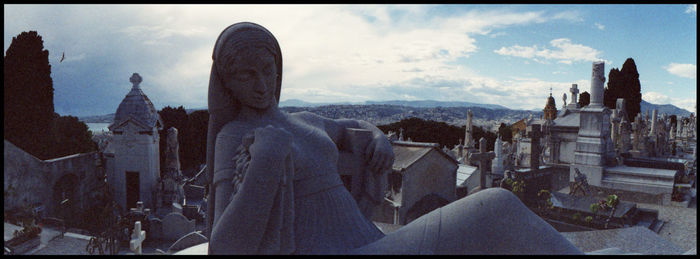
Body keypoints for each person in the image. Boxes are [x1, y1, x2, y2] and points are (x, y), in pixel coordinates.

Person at [206, 22, 582, 255]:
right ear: (227, 82)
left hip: (369, 239)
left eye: (267, 69)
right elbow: (223, 248)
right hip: (337, 251)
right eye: (245, 75)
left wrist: (378, 137)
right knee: (496, 206)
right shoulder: (235, 135)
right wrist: (266, 163)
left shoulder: (301, 118)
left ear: (278, 67)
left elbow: (351, 125)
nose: (260, 84)